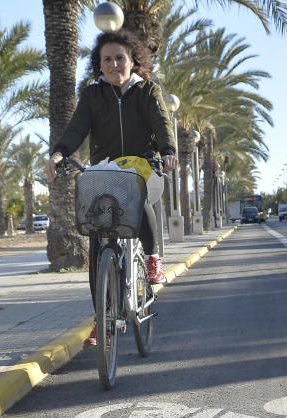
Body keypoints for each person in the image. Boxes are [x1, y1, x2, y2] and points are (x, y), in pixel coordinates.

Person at [45, 30, 178, 346]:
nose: (114, 64)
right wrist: (58, 153)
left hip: (143, 166)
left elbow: (162, 125)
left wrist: (169, 151)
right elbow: (77, 128)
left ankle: (152, 258)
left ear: (133, 60)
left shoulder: (147, 92)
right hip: (105, 170)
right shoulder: (93, 95)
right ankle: (102, 319)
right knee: (97, 242)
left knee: (137, 191)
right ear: (99, 65)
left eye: (120, 57)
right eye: (107, 59)